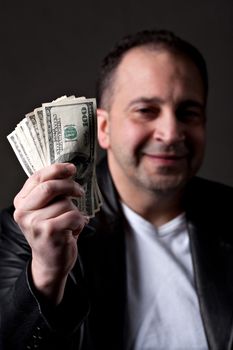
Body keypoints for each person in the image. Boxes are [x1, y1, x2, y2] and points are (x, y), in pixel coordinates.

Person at [0, 29, 233, 350]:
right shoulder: (29, 232)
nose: (171, 132)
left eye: (188, 113)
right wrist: (46, 275)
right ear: (104, 129)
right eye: (146, 110)